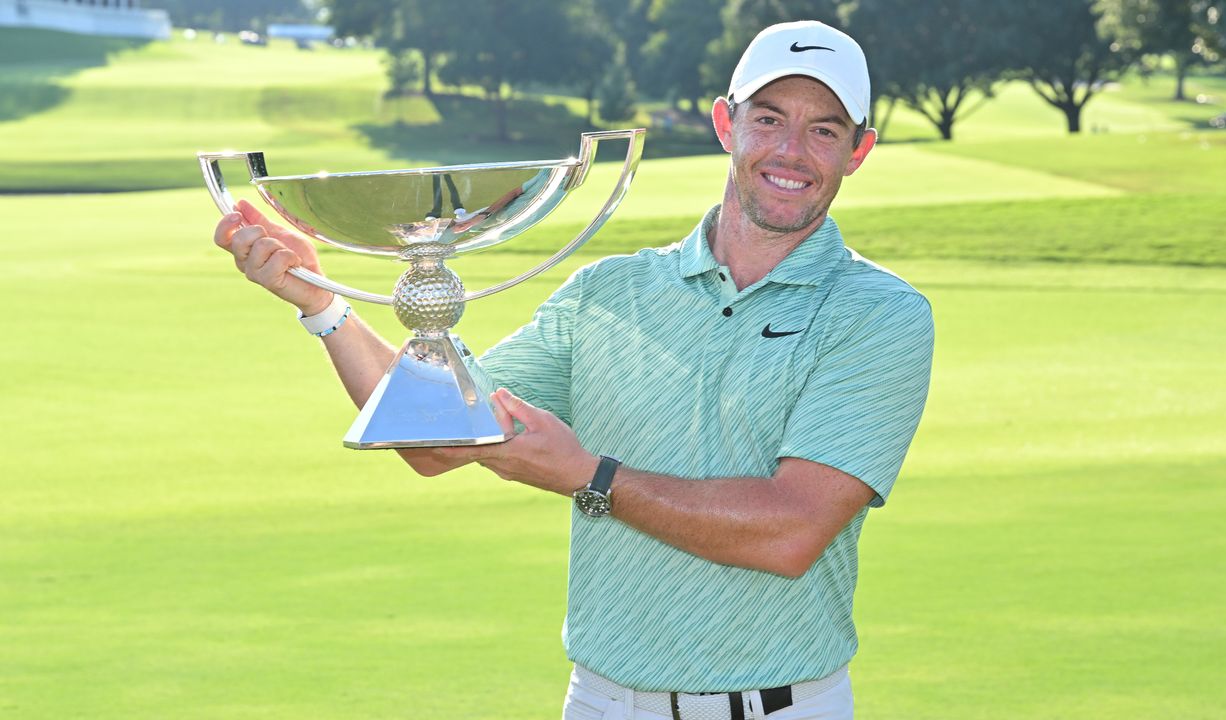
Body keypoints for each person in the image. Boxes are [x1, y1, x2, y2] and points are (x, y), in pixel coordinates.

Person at [213, 20, 933, 720]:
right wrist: (322, 304)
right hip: (602, 701)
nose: (792, 151)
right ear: (726, 124)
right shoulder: (609, 293)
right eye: (770, 119)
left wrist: (592, 478)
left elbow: (791, 532)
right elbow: (435, 442)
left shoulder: (878, 315)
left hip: (778, 707)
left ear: (859, 150)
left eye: (825, 129)